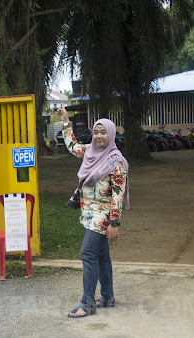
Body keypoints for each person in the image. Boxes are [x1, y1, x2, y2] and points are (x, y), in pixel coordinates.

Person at [56, 103, 129, 319]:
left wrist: (114, 223)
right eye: (96, 132)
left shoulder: (116, 162)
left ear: (111, 134)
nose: (98, 136)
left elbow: (118, 194)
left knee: (88, 253)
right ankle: (107, 297)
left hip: (102, 215)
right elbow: (72, 146)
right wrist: (66, 120)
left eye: (103, 132)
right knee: (101, 256)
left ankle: (87, 304)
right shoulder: (90, 152)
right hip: (88, 213)